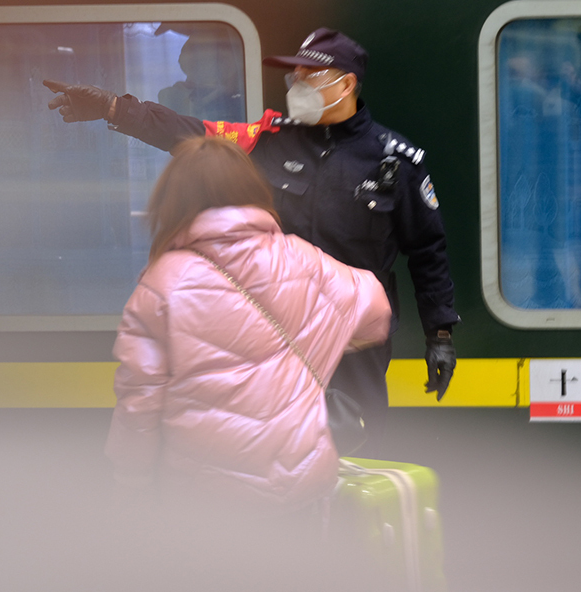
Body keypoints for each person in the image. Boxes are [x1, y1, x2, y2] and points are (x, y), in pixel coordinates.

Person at [45, 27, 459, 447]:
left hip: (354, 342)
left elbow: (427, 251)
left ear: (347, 84)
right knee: (272, 449)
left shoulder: (395, 161)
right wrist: (115, 108)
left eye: (310, 77)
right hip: (272, 339)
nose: (297, 86)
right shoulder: (268, 139)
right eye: (295, 77)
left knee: (361, 449)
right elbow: (191, 133)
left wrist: (439, 334)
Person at [105, 135, 391, 512]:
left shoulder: (162, 285)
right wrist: (318, 339)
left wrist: (131, 482)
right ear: (252, 190)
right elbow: (376, 315)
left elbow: (139, 403)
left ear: (174, 202)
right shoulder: (303, 259)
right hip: (301, 492)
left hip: (204, 502)